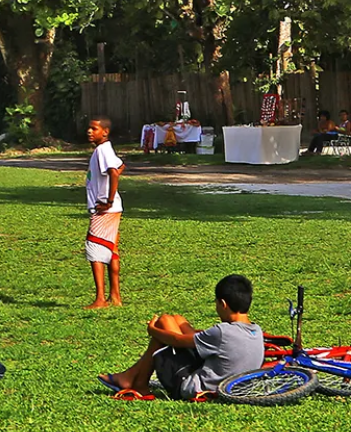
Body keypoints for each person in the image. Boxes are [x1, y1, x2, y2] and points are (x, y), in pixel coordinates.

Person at [98, 274, 265, 399]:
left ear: (223, 304)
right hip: (233, 387)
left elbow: (177, 341)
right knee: (177, 320)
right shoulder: (256, 330)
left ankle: (137, 382)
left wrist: (152, 331)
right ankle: (133, 379)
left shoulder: (222, 332)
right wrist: (179, 323)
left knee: (164, 323)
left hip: (192, 387)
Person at [84, 117, 123, 309]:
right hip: (112, 208)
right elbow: (120, 166)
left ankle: (100, 299)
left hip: (105, 209)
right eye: (89, 128)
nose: (89, 131)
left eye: (94, 128)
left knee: (95, 249)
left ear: (105, 132)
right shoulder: (105, 149)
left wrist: (107, 200)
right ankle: (115, 297)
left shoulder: (102, 150)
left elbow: (115, 172)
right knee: (111, 251)